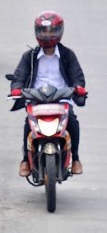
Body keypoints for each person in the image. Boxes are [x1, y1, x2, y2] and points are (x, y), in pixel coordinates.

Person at [9, 11, 87, 177]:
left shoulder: (68, 55)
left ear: (59, 31)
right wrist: (16, 88)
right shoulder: (29, 56)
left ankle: (75, 159)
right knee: (28, 126)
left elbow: (77, 76)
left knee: (72, 122)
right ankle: (25, 160)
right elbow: (19, 76)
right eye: (44, 31)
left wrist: (78, 87)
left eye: (51, 31)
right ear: (38, 32)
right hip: (36, 100)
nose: (47, 34)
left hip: (62, 99)